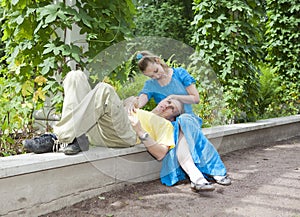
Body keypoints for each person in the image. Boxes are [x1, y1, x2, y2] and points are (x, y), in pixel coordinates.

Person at [23, 70, 230, 192]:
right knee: (75, 76)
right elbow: (107, 107)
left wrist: (140, 129)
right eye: (167, 101)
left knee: (104, 89)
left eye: (172, 108)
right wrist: (127, 101)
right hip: (100, 127)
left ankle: (57, 136)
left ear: (173, 117)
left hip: (126, 134)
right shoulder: (141, 107)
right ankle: (77, 137)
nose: (166, 106)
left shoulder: (167, 127)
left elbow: (160, 153)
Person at [136, 51, 231, 186]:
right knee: (176, 127)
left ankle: (196, 176)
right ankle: (209, 174)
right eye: (152, 75)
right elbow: (141, 100)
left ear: (158, 60)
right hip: (169, 124)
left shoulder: (180, 73)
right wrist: (134, 105)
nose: (157, 76)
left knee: (184, 121)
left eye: (156, 71)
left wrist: (174, 97)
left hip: (188, 119)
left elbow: (195, 98)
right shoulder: (151, 85)